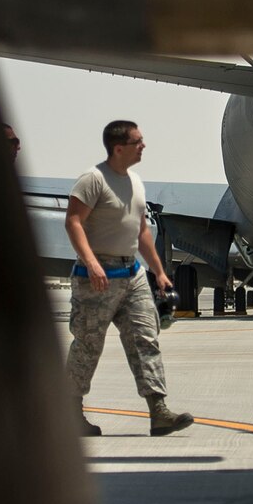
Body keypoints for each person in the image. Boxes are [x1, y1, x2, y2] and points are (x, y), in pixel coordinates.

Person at [64, 120, 193, 437]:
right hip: (97, 277)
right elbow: (73, 222)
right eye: (138, 141)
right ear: (119, 148)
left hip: (131, 274)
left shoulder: (135, 182)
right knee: (87, 346)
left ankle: (159, 412)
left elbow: (142, 230)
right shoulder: (93, 181)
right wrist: (92, 263)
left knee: (146, 339)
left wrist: (159, 272)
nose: (143, 145)